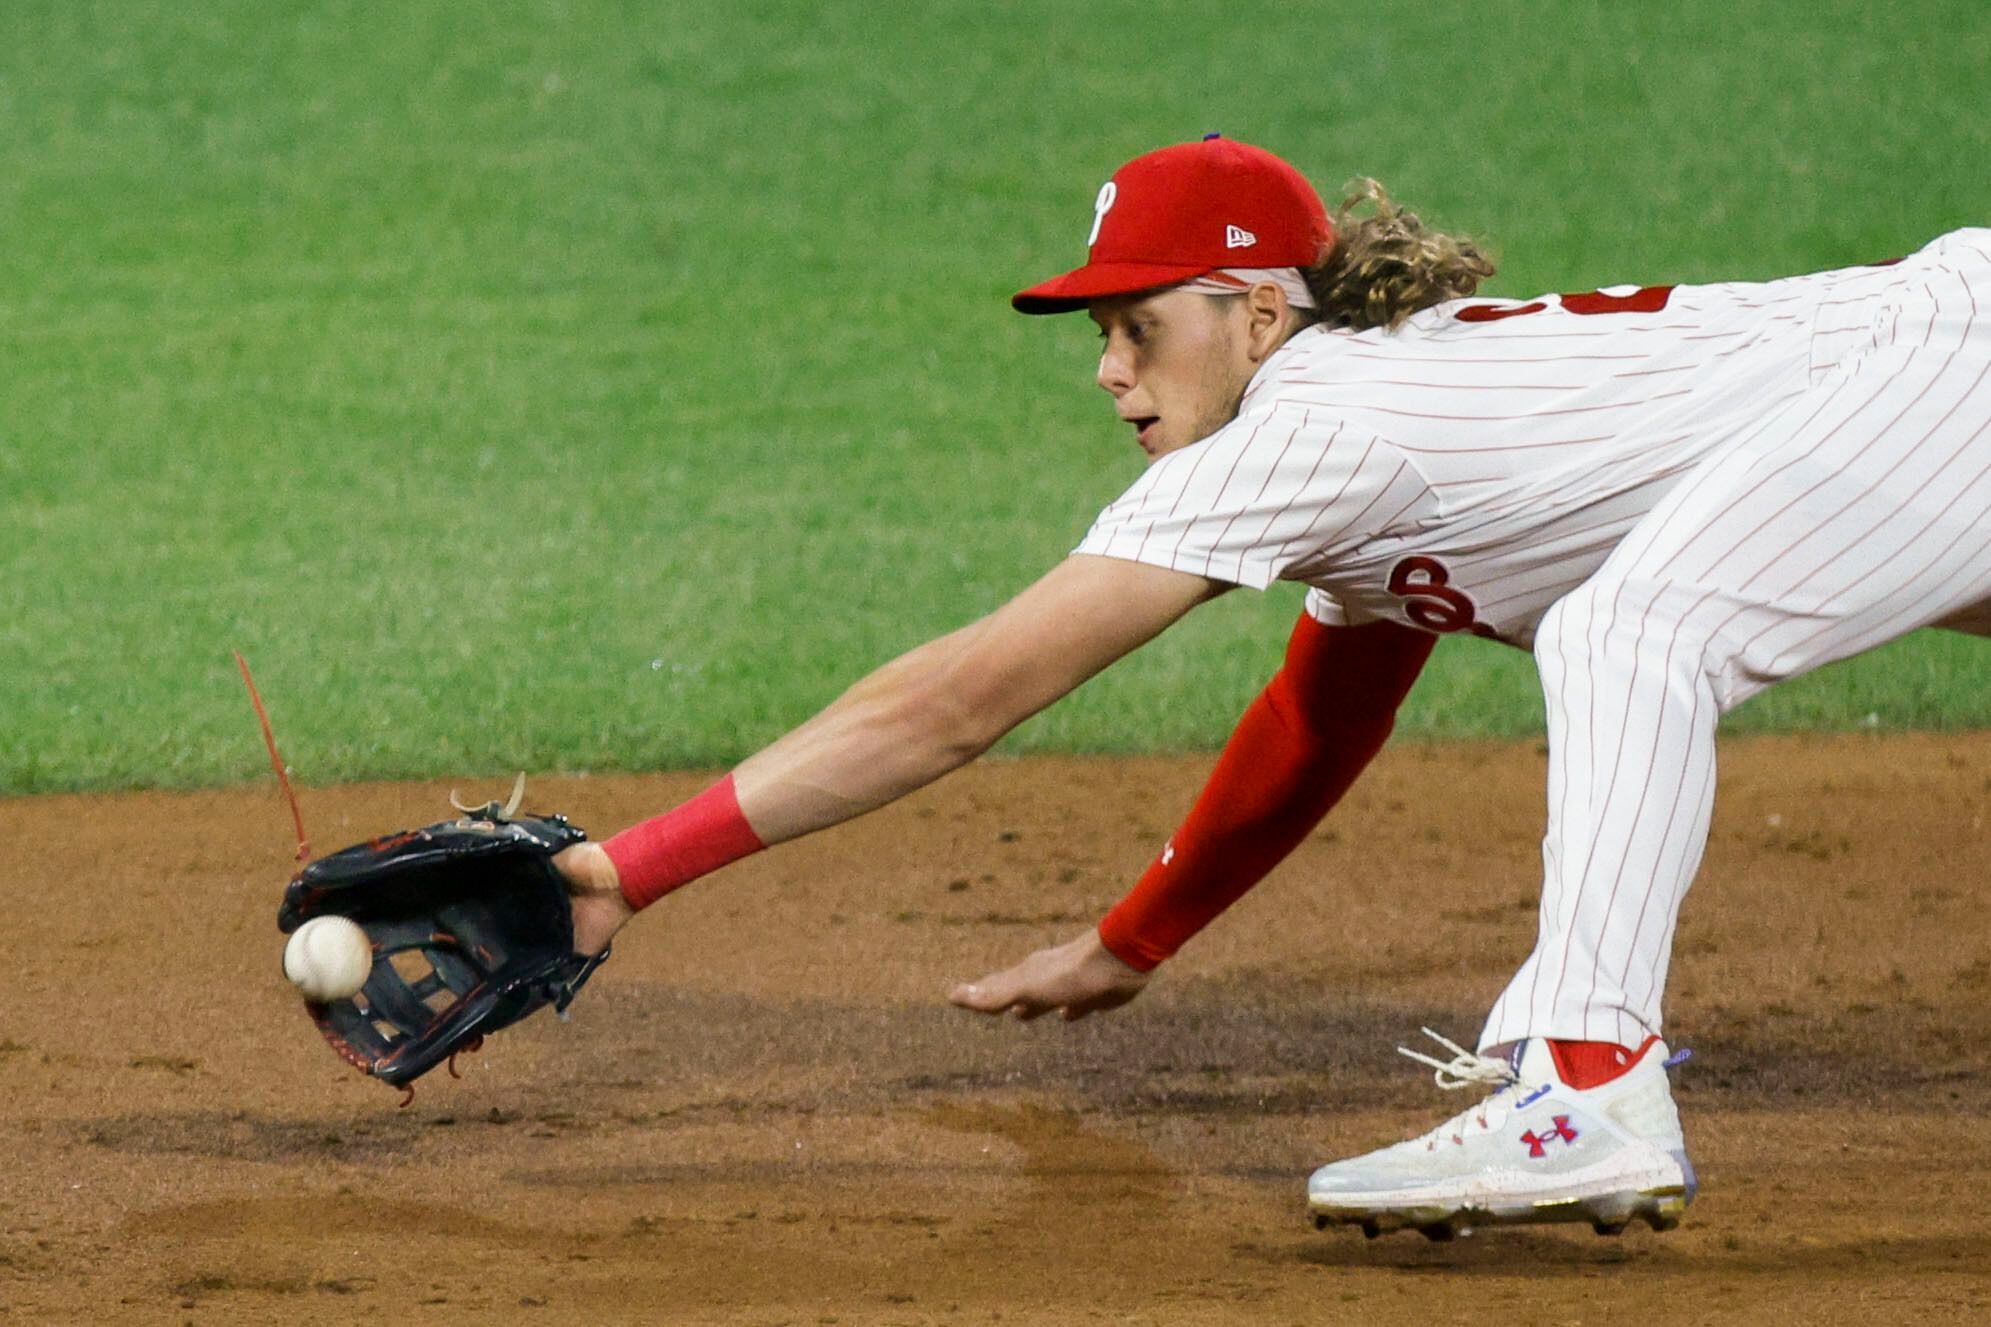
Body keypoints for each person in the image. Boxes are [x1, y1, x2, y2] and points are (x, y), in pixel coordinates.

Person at [556, 135, 1991, 1238]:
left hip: (1946, 361)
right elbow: (1325, 708)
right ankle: (1582, 1081)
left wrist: (632, 867)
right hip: (1928, 367)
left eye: (1140, 327)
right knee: (1636, 627)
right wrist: (1137, 937)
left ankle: (1588, 1088)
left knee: (1628, 635)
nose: (1111, 372)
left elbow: (959, 701)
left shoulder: (1318, 425)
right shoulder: (1369, 417)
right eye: (1098, 337)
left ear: (1254, 312)